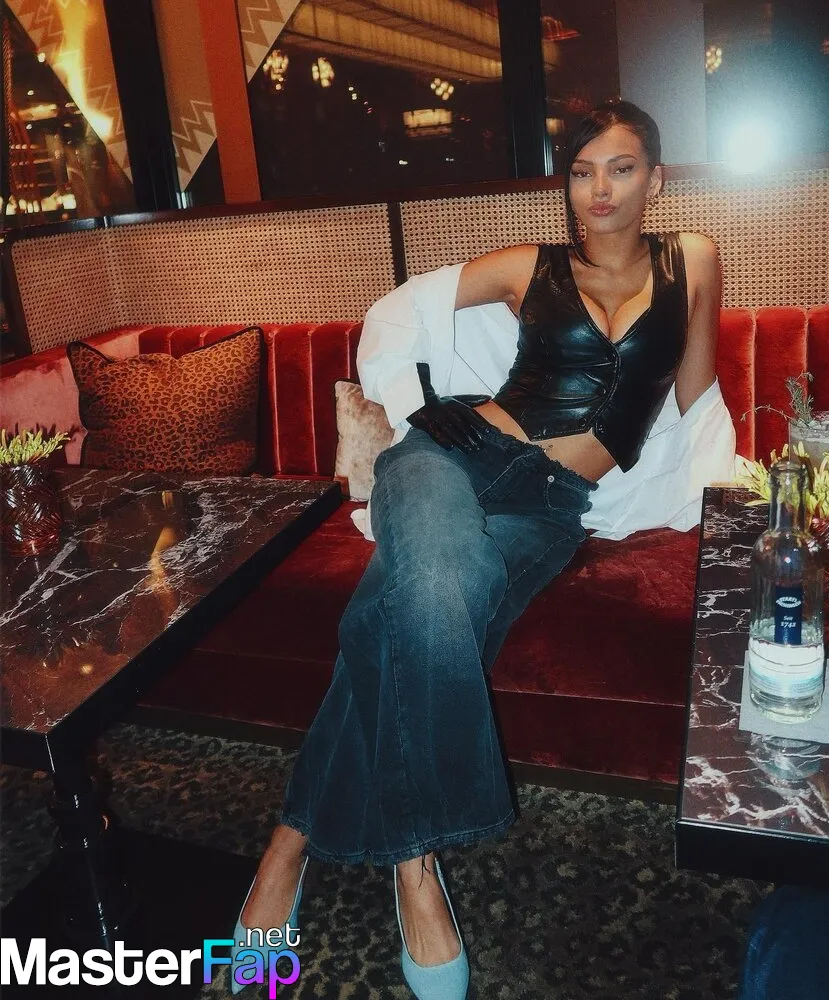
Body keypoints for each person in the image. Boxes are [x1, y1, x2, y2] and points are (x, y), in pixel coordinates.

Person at [229, 100, 725, 999]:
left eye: (620, 168)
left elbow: (696, 394)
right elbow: (400, 309)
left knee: (394, 615)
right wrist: (418, 406)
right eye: (581, 171)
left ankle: (287, 844)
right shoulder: (530, 266)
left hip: (552, 504)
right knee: (439, 580)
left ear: (656, 179)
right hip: (449, 458)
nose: (599, 189)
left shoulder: (694, 258)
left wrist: (718, 492)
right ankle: (415, 866)